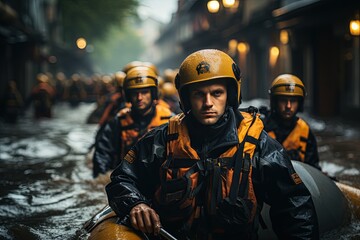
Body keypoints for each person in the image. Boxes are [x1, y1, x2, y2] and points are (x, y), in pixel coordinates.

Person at [105, 49, 319, 239]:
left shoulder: (259, 145)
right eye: (199, 94)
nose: (208, 103)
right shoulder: (162, 139)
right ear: (187, 97)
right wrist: (135, 203)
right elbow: (122, 178)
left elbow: (294, 206)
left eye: (217, 93)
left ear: (230, 95)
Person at [92, 66, 174, 178]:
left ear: (153, 94)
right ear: (128, 96)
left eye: (144, 92)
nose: (139, 97)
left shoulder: (169, 119)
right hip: (128, 177)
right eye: (135, 93)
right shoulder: (119, 121)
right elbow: (103, 154)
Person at [262, 74, 321, 170]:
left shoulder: (305, 131)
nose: (288, 106)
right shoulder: (261, 128)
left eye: (293, 101)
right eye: (283, 100)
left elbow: (313, 167)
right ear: (275, 102)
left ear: (299, 103)